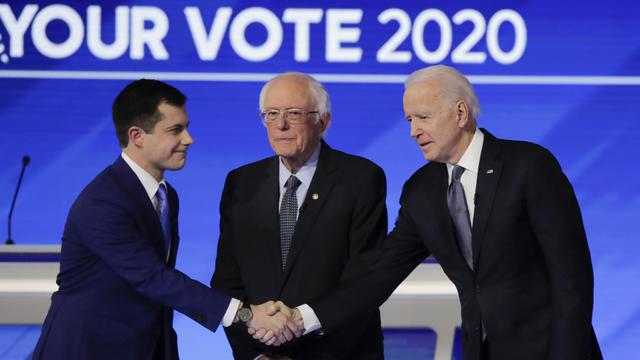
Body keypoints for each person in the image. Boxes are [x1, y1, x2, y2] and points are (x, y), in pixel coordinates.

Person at [256, 66, 603, 360]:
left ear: (461, 113)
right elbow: (380, 273)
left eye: (423, 118)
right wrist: (303, 317)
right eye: (409, 119)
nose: (413, 131)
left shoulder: (528, 166)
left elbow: (572, 278)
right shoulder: (422, 190)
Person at [32, 79, 285, 360]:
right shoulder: (104, 202)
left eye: (186, 127)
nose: (189, 139)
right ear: (138, 136)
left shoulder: (166, 195)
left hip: (146, 346)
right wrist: (245, 314)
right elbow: (155, 278)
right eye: (175, 130)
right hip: (87, 348)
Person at [211, 72, 387, 359]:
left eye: (293, 114)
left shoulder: (360, 179)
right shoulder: (241, 182)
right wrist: (256, 354)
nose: (280, 124)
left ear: (323, 122)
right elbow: (227, 282)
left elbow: (364, 283)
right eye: (271, 114)